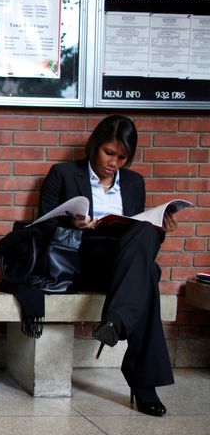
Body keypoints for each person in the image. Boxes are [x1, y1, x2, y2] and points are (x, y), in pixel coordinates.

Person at [38, 114, 175, 417]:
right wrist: (75, 224)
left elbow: (140, 241)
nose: (114, 162)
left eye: (122, 157)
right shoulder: (63, 174)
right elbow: (41, 227)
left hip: (121, 264)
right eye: (108, 153)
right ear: (95, 145)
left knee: (146, 245)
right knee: (148, 275)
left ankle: (115, 320)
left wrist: (159, 226)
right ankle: (144, 386)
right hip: (83, 259)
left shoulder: (134, 182)